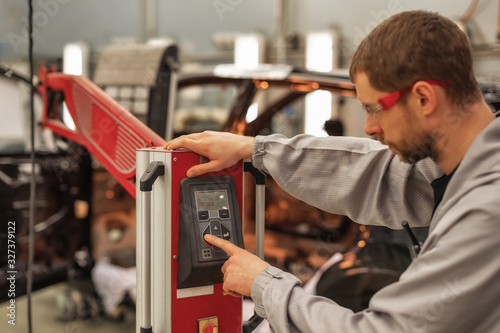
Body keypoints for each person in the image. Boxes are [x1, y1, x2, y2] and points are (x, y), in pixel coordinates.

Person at [165, 10, 500, 333]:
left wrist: (265, 285)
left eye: (373, 109)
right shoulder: (468, 166)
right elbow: (377, 173)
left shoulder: (486, 210)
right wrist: (253, 149)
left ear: (424, 98)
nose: (369, 128)